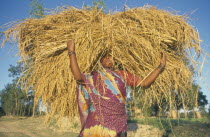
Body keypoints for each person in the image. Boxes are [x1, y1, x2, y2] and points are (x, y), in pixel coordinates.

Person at [67, 40, 166, 137]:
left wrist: (160, 67)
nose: (108, 58)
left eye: (110, 56)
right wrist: (71, 52)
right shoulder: (94, 75)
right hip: (95, 126)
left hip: (118, 126)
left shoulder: (122, 75)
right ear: (99, 60)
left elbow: (145, 83)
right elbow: (78, 77)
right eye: (104, 56)